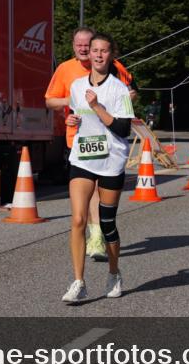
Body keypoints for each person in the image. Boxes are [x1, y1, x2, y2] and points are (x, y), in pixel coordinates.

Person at [46, 27, 136, 262]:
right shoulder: (67, 70)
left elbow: (130, 92)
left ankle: (99, 235)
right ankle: (91, 240)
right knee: (81, 204)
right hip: (78, 141)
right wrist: (74, 104)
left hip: (109, 147)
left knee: (102, 198)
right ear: (74, 47)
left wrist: (120, 101)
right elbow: (50, 100)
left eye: (91, 46)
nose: (87, 50)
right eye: (81, 46)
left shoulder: (114, 70)